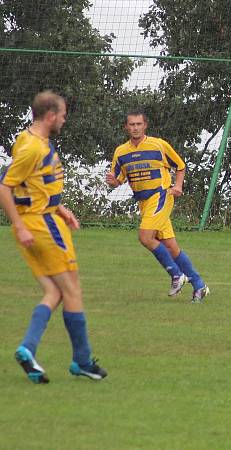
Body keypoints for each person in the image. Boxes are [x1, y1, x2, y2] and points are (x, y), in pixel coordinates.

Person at [0, 90, 107, 383]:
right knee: (73, 291)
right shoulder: (34, 148)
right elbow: (5, 187)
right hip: (40, 226)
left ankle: (28, 348)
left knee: (54, 292)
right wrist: (21, 225)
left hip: (43, 219)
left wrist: (59, 207)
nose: (64, 119)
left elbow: (30, 183)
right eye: (62, 114)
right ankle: (82, 361)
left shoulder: (27, 140)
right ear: (50, 116)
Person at [105, 110, 209, 303]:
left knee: (145, 236)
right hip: (144, 203)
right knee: (171, 247)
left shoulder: (159, 145)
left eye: (139, 124)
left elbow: (180, 165)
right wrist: (112, 181)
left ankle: (177, 275)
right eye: (132, 124)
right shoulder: (121, 152)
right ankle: (199, 285)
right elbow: (118, 180)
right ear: (126, 127)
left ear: (145, 125)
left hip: (161, 195)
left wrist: (178, 186)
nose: (135, 128)